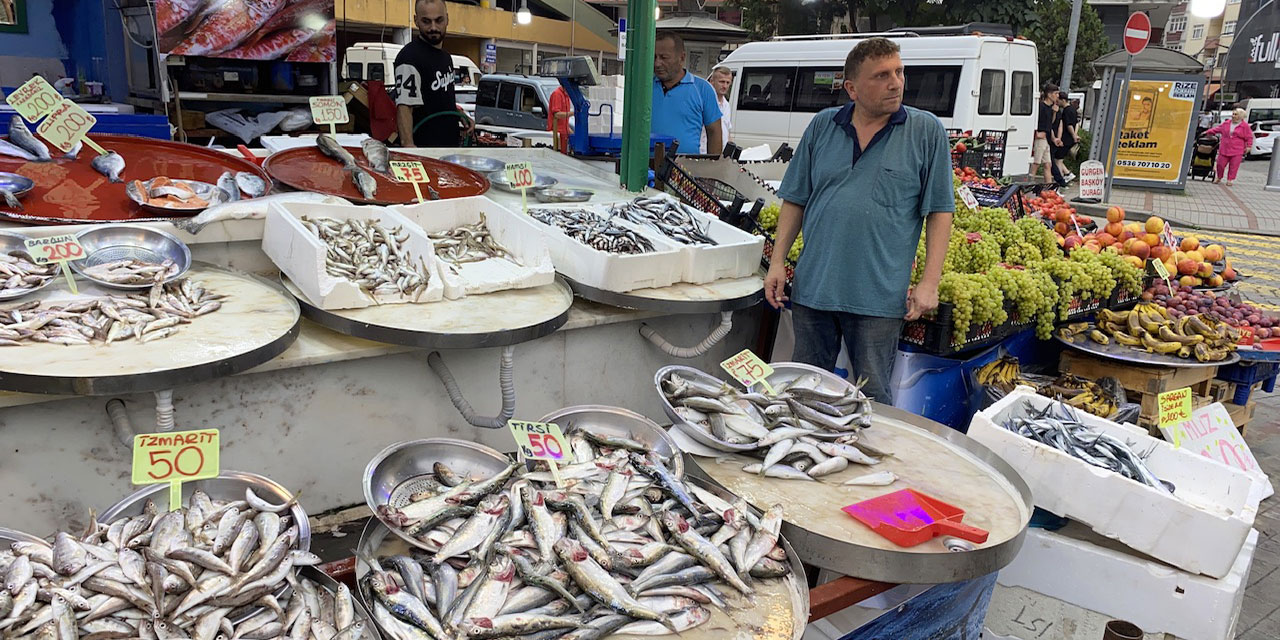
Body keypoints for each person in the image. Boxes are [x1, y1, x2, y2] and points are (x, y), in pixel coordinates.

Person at [763, 37, 954, 404]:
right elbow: (795, 199)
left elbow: (940, 212)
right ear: (851, 88)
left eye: (899, 72)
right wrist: (777, 262)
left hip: (877, 300)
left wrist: (930, 282)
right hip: (813, 291)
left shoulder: (926, 132)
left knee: (873, 401)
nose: (896, 82)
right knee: (803, 394)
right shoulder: (822, 126)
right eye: (882, 75)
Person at [393, 0, 471, 147]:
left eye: (439, 20)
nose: (433, 27)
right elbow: (405, 106)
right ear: (416, 21)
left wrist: (460, 114)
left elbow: (437, 99)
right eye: (426, 21)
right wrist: (409, 147)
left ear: (447, 19)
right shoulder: (409, 57)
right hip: (426, 151)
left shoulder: (445, 57)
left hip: (448, 148)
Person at [651, 32, 723, 155]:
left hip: (686, 168)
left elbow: (714, 132)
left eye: (664, 57)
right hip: (647, 169)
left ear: (682, 58)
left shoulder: (702, 89)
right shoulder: (645, 88)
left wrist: (712, 168)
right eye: (654, 57)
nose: (657, 63)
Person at [1205, 108, 1255, 186]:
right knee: (1220, 164)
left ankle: (1230, 179)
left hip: (1237, 149)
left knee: (1234, 166)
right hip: (1224, 148)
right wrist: (1207, 132)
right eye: (1233, 114)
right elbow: (1218, 129)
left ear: (1241, 116)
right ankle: (1219, 177)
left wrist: (1249, 146)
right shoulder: (1226, 123)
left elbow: (1249, 137)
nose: (1233, 116)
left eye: (1236, 114)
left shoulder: (1245, 126)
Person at [1031, 83, 1066, 186]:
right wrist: (1036, 133)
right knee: (1036, 163)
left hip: (1047, 138)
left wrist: (1054, 138)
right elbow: (1036, 120)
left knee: (1048, 164)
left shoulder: (1051, 108)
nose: (1057, 96)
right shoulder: (1041, 106)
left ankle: (1049, 187)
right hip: (1040, 138)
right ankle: (1029, 184)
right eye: (1056, 93)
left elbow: (1050, 124)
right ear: (1049, 94)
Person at [700, 66, 732, 153]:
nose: (725, 86)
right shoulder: (703, 103)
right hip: (704, 154)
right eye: (721, 82)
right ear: (712, 82)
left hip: (721, 157)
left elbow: (727, 131)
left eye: (727, 82)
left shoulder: (727, 105)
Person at [1052, 92, 1077, 183]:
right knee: (1058, 159)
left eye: (1058, 101)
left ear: (1063, 100)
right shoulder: (1073, 109)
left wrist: (1073, 135)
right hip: (1069, 139)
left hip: (1065, 139)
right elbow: (1076, 123)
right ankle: (1067, 174)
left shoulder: (1066, 111)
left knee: (1058, 160)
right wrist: (1075, 134)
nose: (1057, 102)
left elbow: (1069, 125)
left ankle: (1061, 180)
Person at [548, 85, 574, 154]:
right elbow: (557, 114)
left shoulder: (566, 96)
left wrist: (571, 132)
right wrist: (573, 113)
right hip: (558, 133)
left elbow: (564, 120)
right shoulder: (557, 94)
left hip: (564, 133)